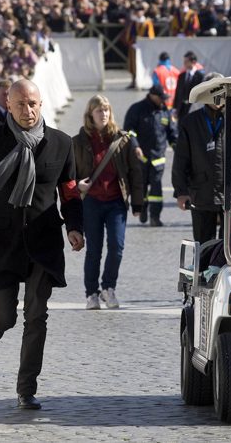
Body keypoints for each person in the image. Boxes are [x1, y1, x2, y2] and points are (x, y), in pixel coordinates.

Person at [0, 79, 84, 410]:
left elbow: (70, 192)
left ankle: (26, 388)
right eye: (20, 105)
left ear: (41, 104)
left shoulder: (60, 143)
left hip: (42, 245)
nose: (28, 111)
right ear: (8, 106)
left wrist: (75, 227)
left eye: (33, 104)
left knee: (37, 316)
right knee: (7, 319)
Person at [73, 95, 143, 310]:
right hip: (91, 201)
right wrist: (77, 185)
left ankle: (108, 287)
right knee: (94, 250)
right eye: (98, 110)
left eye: (106, 110)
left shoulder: (122, 139)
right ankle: (91, 293)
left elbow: (135, 172)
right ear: (90, 115)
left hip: (116, 202)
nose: (103, 114)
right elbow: (68, 174)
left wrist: (138, 203)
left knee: (117, 247)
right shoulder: (79, 141)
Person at [172, 73, 231, 244]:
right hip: (202, 192)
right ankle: (204, 271)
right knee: (204, 246)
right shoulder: (190, 122)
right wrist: (181, 192)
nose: (216, 97)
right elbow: (181, 160)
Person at [124, 84, 178, 226]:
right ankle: (142, 208)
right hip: (140, 157)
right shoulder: (137, 109)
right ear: (153, 95)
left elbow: (172, 133)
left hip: (158, 158)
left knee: (156, 189)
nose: (163, 101)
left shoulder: (164, 111)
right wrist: (135, 146)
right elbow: (129, 131)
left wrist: (178, 148)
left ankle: (155, 217)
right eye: (161, 98)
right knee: (141, 187)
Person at [121, 7, 155, 90]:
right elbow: (129, 34)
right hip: (135, 46)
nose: (139, 13)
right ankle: (133, 81)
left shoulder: (147, 23)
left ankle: (146, 81)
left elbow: (150, 35)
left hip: (145, 47)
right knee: (133, 64)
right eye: (138, 12)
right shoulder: (133, 23)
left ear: (143, 12)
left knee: (145, 64)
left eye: (141, 11)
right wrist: (132, 41)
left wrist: (144, 41)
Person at [173, 51, 205, 121]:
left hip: (193, 107)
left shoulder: (200, 76)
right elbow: (178, 92)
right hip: (181, 107)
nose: (184, 63)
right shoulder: (182, 75)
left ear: (193, 62)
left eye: (186, 61)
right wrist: (175, 107)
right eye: (184, 61)